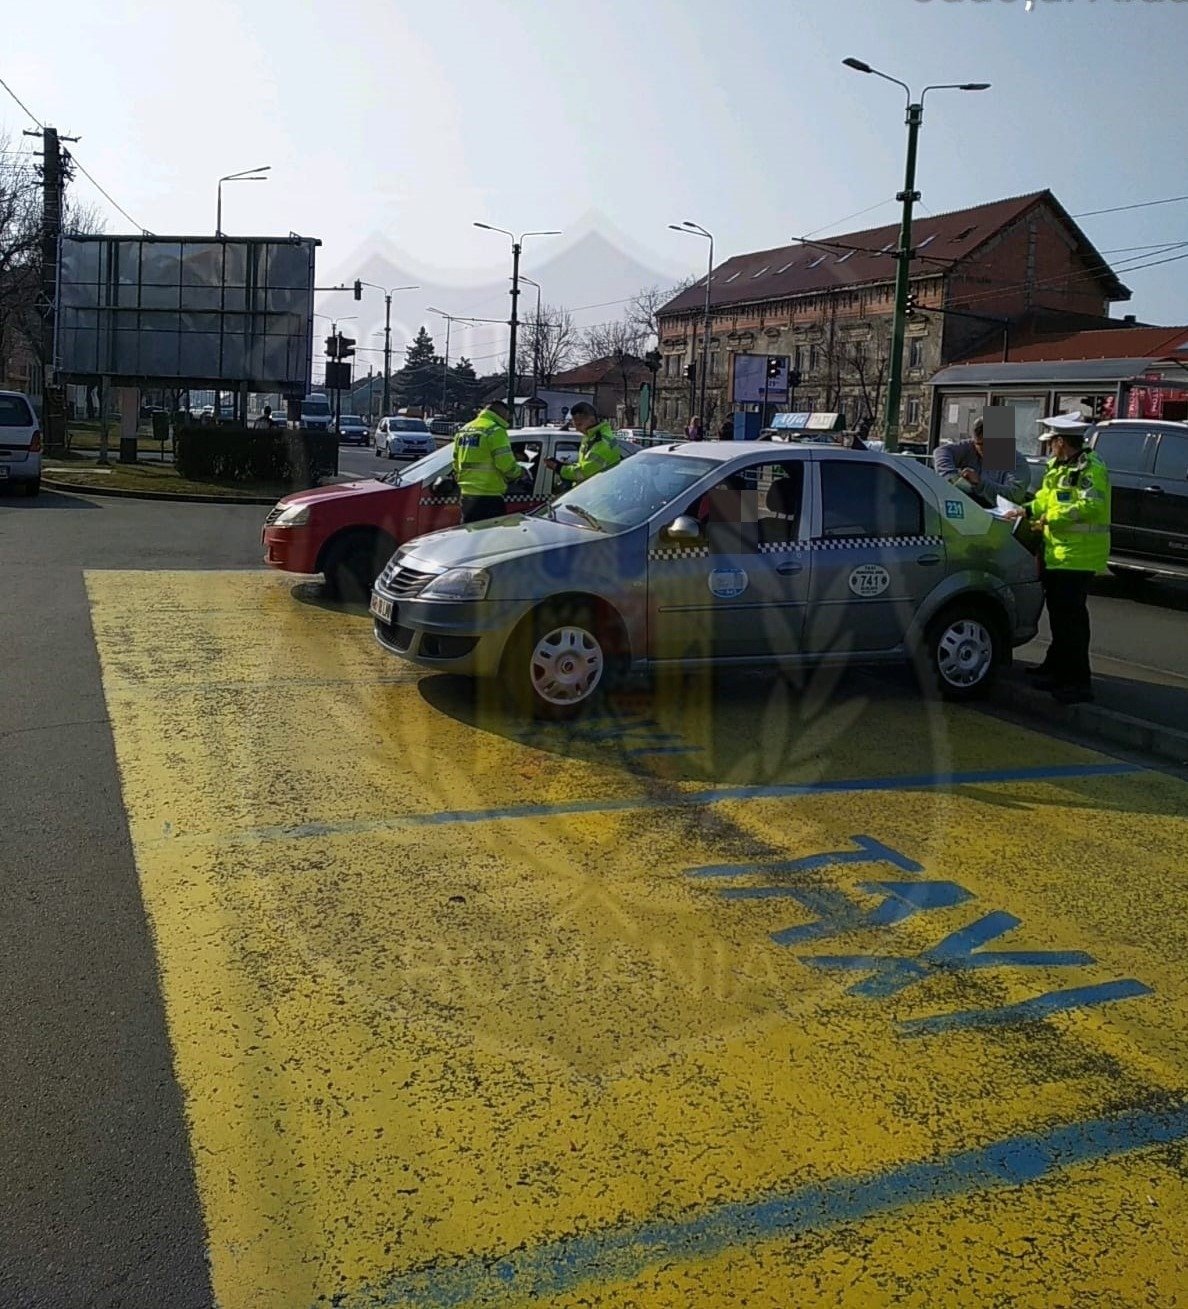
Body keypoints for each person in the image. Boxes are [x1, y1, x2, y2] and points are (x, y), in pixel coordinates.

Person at [1003, 425, 1111, 705]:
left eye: (1051, 442)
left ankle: (1077, 682)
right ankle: (1056, 669)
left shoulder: (1090, 468)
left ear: (1062, 442)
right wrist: (1024, 510)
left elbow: (1090, 506)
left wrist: (1051, 518)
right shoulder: (1058, 466)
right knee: (1060, 618)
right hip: (1058, 553)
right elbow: (1043, 499)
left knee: (1071, 621)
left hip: (1078, 556)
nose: (1050, 447)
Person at [934, 416, 1030, 508]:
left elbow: (1014, 496)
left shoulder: (1017, 462)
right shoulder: (970, 447)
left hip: (1002, 515)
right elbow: (941, 451)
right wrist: (951, 476)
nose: (986, 449)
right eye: (980, 444)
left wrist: (980, 483)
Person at [451, 399, 519, 523]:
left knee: (470, 535)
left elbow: (456, 462)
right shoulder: (496, 430)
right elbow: (506, 465)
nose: (507, 420)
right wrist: (520, 473)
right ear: (502, 414)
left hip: (466, 495)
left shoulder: (464, 430)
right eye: (507, 417)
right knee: (490, 538)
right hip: (489, 496)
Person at [545, 401, 622, 485]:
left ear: (592, 420)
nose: (577, 429)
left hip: (602, 491)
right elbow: (584, 465)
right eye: (575, 425)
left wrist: (559, 468)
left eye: (579, 424)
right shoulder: (591, 436)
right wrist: (562, 465)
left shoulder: (601, 441)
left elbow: (584, 472)